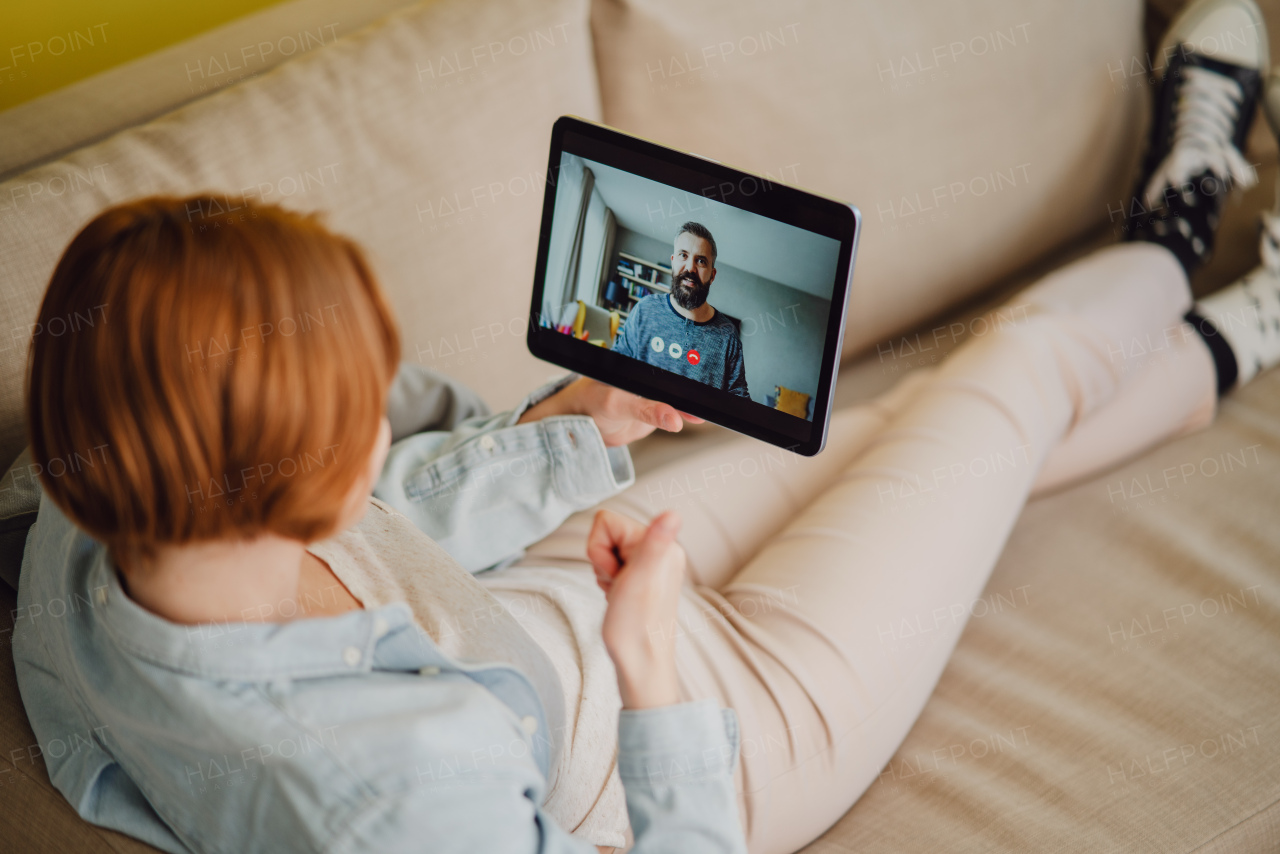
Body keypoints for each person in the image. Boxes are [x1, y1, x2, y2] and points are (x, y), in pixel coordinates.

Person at [11, 1, 1279, 852]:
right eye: (361, 411)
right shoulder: (403, 797)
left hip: (552, 585)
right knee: (1002, 384)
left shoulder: (83, 501)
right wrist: (655, 674)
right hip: (693, 728)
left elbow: (389, 516)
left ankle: (1226, 331)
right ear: (293, 484)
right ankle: (1180, 222)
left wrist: (569, 426)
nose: (386, 415)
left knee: (916, 422)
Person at [611, 221, 751, 398]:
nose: (690, 268)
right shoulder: (645, 309)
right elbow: (616, 366)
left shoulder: (728, 335)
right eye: (683, 255)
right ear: (673, 262)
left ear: (712, 275)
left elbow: (739, 400)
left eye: (700, 261)